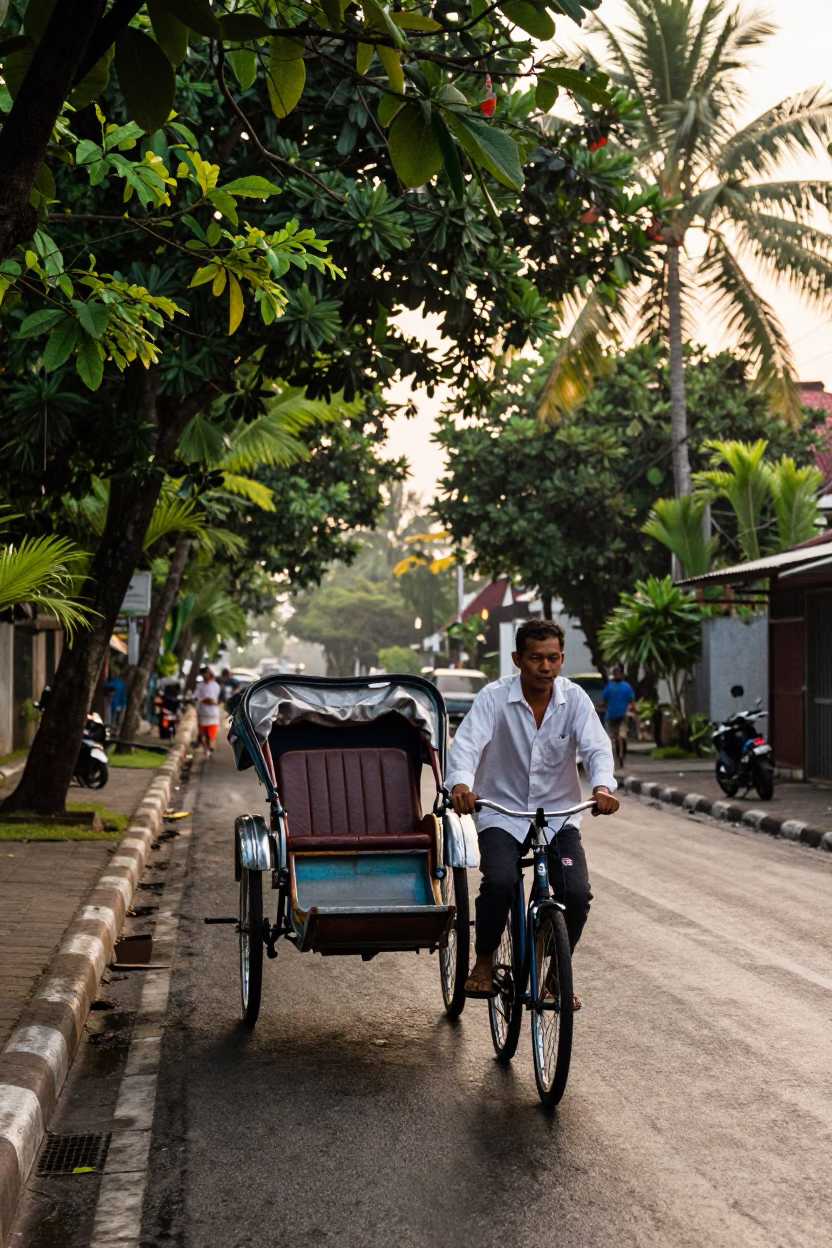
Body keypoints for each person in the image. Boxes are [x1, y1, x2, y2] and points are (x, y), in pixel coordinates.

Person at [446, 619, 619, 1009]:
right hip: (502, 813)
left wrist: (602, 787)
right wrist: (460, 786)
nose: (545, 667)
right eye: (536, 658)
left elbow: (596, 749)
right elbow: (467, 747)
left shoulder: (574, 699)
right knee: (501, 883)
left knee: (576, 893)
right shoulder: (493, 698)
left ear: (561, 659)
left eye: (553, 658)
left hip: (558, 817)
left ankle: (558, 973)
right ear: (517, 659)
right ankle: (485, 960)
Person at [599, 663, 637, 769]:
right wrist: (635, 710)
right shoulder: (627, 687)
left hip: (611, 716)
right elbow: (632, 701)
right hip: (622, 716)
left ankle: (612, 758)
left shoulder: (609, 687)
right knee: (622, 736)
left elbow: (603, 702)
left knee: (611, 738)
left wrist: (600, 706)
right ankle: (620, 754)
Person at [195, 667, 221, 758]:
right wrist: (203, 700)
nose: (205, 676)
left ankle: (211, 749)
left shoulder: (216, 686)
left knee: (212, 735)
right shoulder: (200, 686)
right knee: (202, 734)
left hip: (213, 713)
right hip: (202, 713)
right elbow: (196, 697)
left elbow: (216, 699)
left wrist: (209, 701)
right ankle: (206, 750)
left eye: (207, 674)